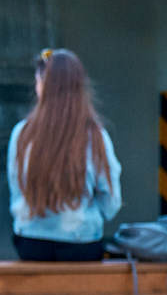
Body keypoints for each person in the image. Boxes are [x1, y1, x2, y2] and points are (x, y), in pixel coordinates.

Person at [7, 48, 120, 262]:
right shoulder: (95, 136)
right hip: (81, 243)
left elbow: (16, 192)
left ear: (44, 86)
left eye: (38, 82)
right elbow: (111, 203)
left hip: (31, 244)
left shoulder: (22, 133)